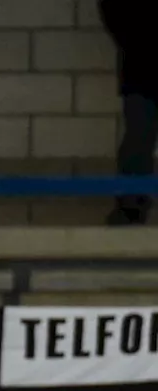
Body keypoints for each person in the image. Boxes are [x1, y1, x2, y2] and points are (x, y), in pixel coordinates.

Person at [100, 0, 158, 225]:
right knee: (138, 139)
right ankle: (131, 210)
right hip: (141, 71)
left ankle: (131, 210)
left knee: (138, 138)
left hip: (139, 70)